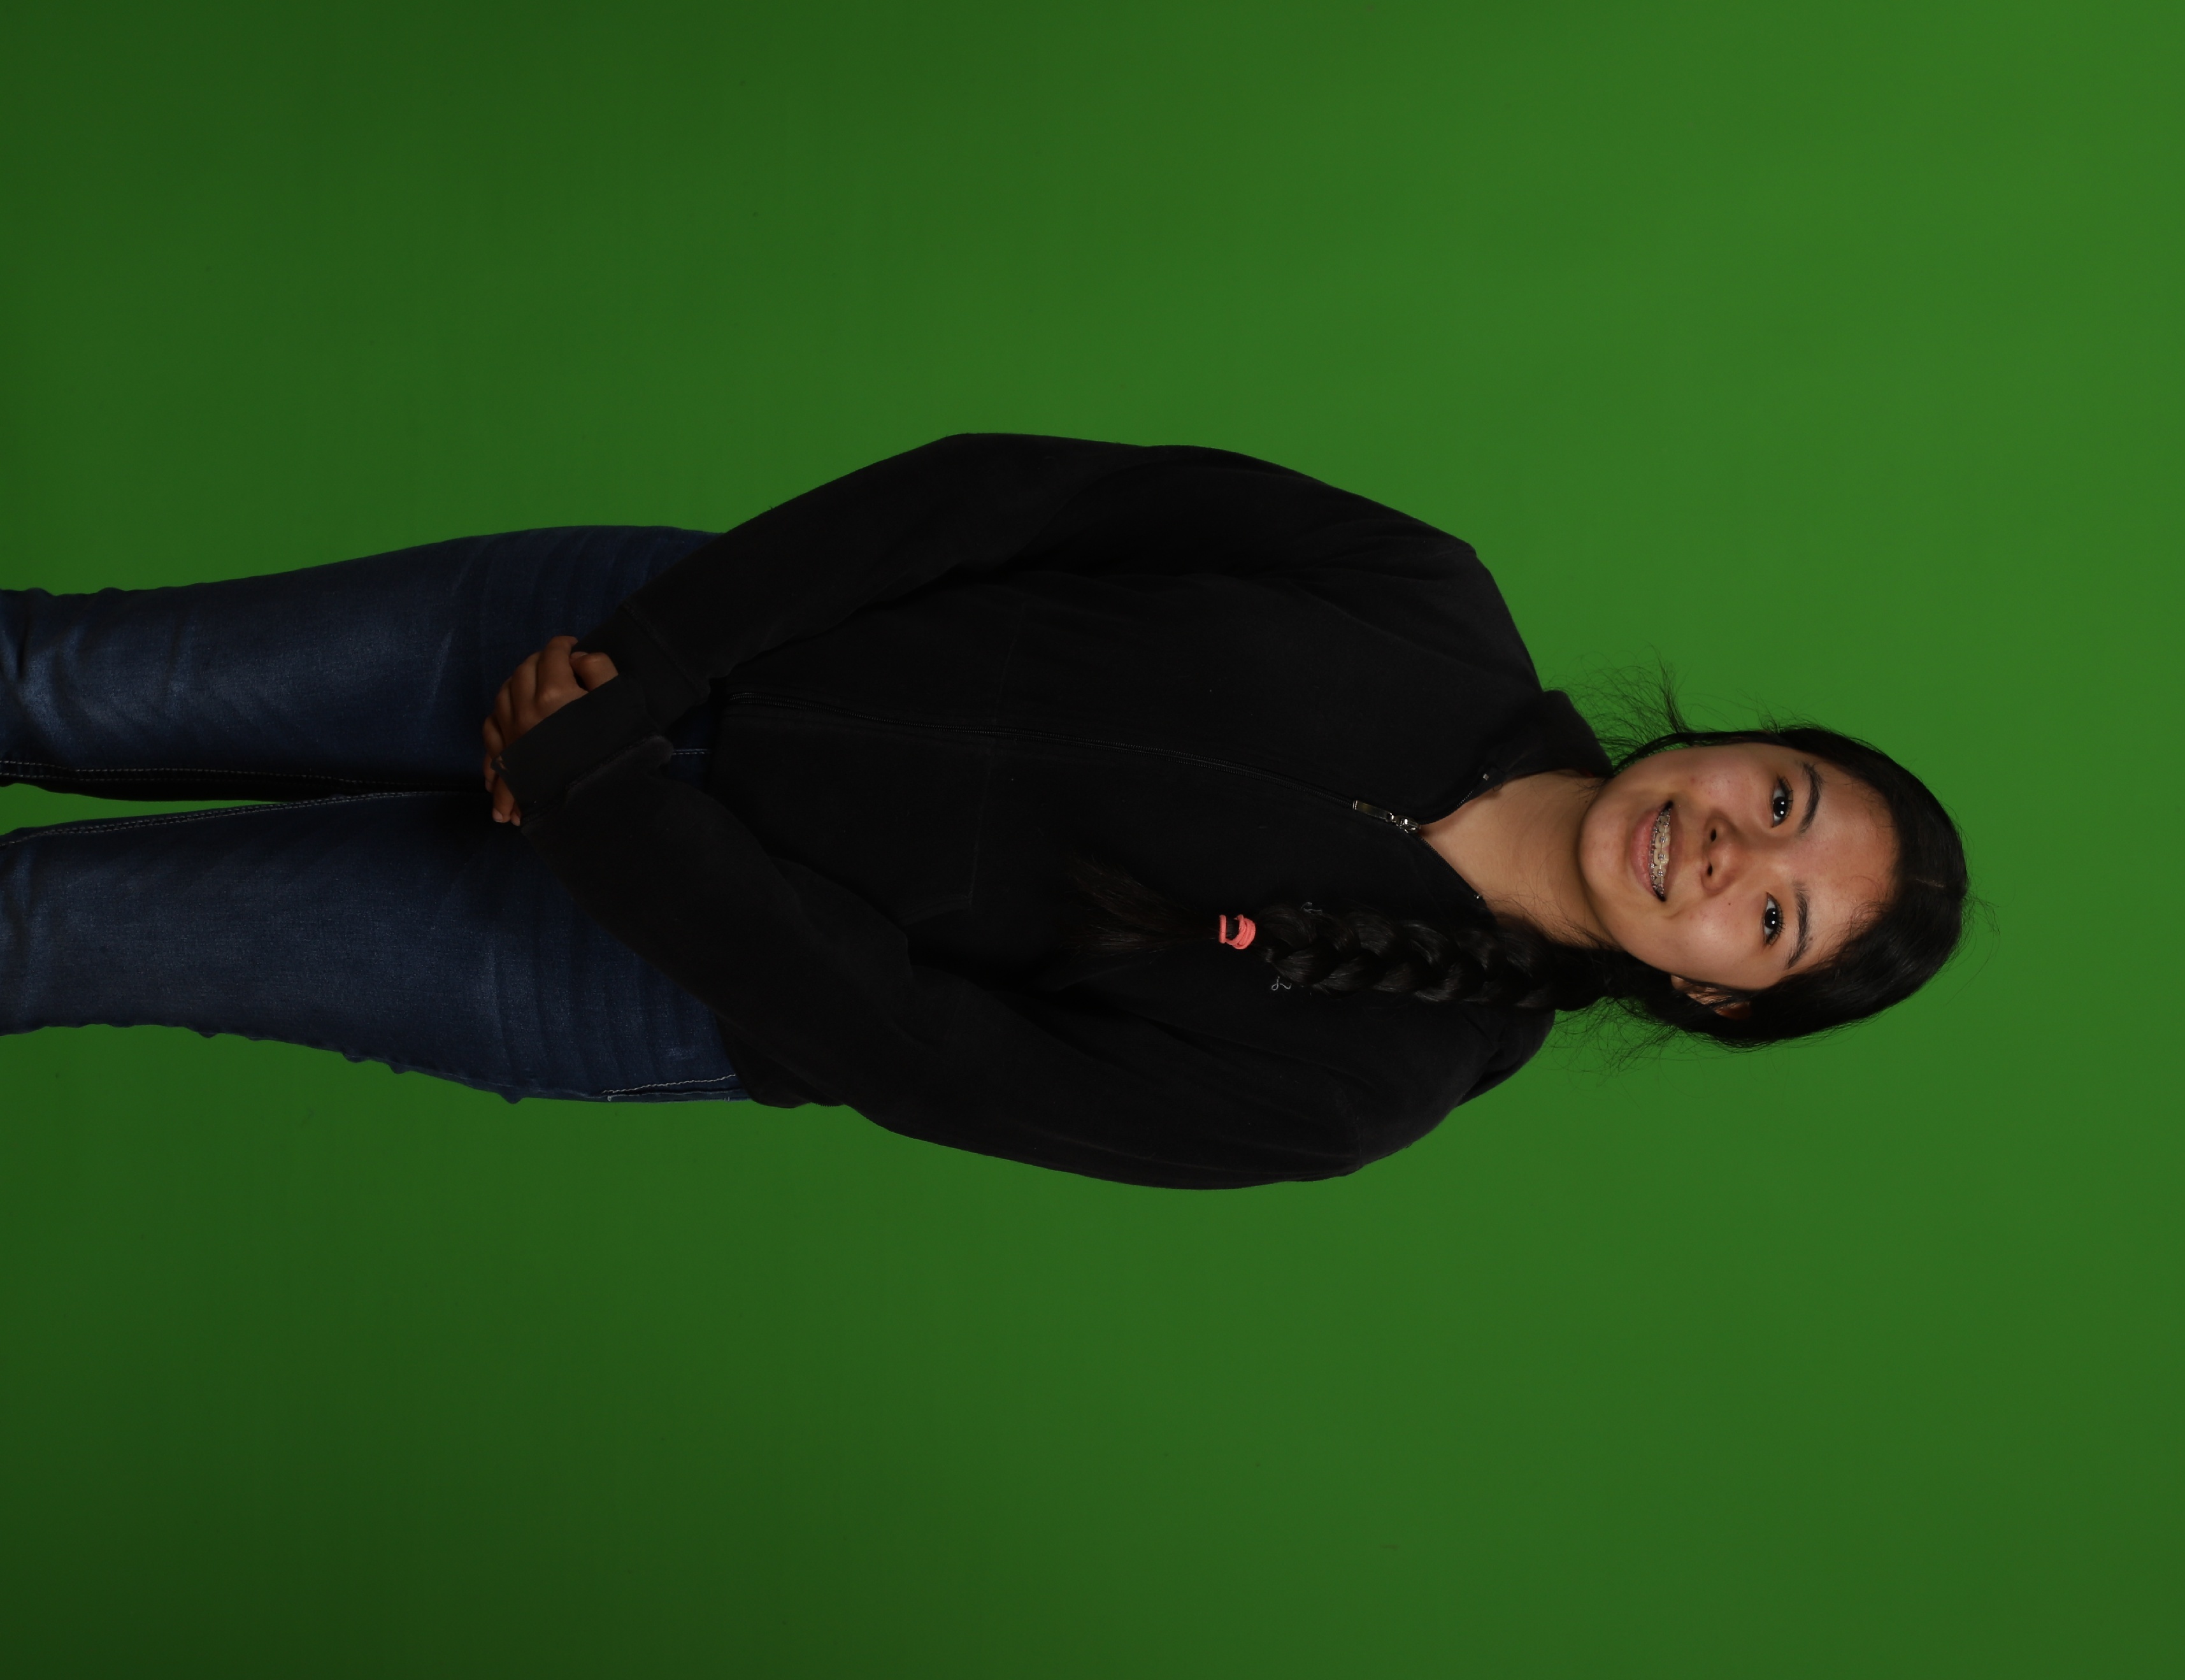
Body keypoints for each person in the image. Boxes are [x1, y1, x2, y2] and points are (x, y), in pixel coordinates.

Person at [1, 434, 1967, 1188]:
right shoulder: (1420, 597)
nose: (1734, 852)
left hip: (620, 962)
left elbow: (923, 1055)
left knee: (50, 931)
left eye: (1772, 917)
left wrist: (615, 819)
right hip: (622, 640)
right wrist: (649, 674)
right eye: (1782, 797)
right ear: (1740, 742)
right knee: (61, 678)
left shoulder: (1356, 1091)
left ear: (1713, 995)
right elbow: (1013, 496)